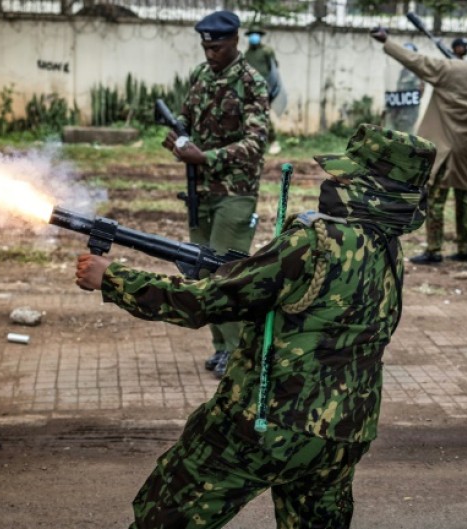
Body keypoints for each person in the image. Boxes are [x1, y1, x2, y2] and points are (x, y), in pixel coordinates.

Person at [75, 124, 436, 529]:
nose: (334, 181)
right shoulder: (389, 249)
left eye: (347, 175)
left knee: (165, 517)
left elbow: (206, 301)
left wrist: (111, 279)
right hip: (343, 433)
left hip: (268, 425)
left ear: (371, 186)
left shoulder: (316, 240)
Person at [163, 10, 269, 379]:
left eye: (218, 48)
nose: (210, 54)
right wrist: (179, 140)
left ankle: (240, 354)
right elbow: (187, 119)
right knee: (202, 272)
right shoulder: (200, 75)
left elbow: (256, 142)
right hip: (200, 192)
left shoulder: (252, 82)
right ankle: (221, 347)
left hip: (235, 193)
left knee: (228, 270)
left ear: (235, 41)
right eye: (206, 47)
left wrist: (206, 157)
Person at [371, 28, 467, 264]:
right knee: (464, 199)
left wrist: (388, 41)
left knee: (435, 198)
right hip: (466, 153)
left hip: (442, 148)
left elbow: (416, 61)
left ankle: (434, 249)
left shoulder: (451, 70)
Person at [244, 23, 283, 155]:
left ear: (260, 36)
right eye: (251, 35)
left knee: (264, 114)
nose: (254, 37)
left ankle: (273, 141)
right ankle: (253, 142)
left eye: (256, 35)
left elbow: (274, 70)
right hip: (250, 88)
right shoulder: (247, 54)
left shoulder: (267, 51)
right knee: (249, 115)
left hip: (265, 88)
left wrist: (273, 88)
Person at [385, 43, 426, 134]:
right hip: (399, 110)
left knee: (407, 137)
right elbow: (399, 90)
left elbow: (420, 92)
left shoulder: (417, 71)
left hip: (409, 112)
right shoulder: (402, 71)